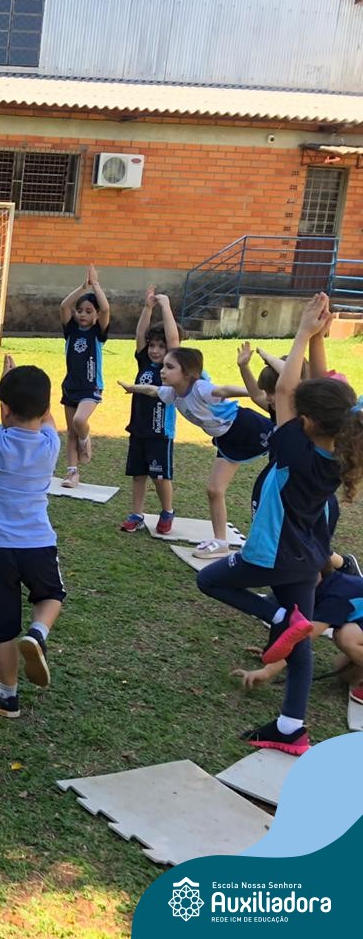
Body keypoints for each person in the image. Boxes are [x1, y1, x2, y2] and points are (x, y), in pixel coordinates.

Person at [196, 294, 361, 756]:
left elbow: (287, 390)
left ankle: (279, 617)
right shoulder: (340, 448)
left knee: (210, 580)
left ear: (304, 421)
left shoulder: (292, 449)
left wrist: (304, 332)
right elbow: (326, 393)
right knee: (300, 642)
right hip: (307, 558)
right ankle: (291, 727)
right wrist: (318, 339)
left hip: (271, 553)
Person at [0, 355, 65, 719]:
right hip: (38, 543)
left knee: (2, 623)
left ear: (4, 410)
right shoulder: (50, 444)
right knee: (51, 596)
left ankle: (7, 696)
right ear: (44, 408)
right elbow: (48, 419)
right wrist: (21, 393)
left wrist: (0, 385)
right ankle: (38, 633)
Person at [120, 346, 273, 558]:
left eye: (169, 367)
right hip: (227, 440)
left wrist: (257, 392)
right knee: (214, 490)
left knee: (279, 476)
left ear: (188, 374)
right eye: (163, 366)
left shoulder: (201, 388)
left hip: (248, 428)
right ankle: (221, 542)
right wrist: (132, 388)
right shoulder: (173, 393)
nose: (162, 371)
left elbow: (224, 390)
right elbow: (152, 390)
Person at [230, 564, 363, 698]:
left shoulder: (336, 596)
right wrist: (273, 653)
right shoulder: (318, 587)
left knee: (346, 637)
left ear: (317, 573)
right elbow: (292, 627)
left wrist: (267, 672)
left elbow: (302, 638)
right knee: (347, 675)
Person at [121, 289, 179, 533]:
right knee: (138, 474)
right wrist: (147, 308)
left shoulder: (171, 367)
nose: (155, 350)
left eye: (160, 347)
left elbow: (174, 341)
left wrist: (165, 307)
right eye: (152, 345)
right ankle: (137, 514)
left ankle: (167, 512)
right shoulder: (144, 361)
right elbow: (139, 335)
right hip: (139, 429)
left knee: (160, 476)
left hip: (160, 432)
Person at [58, 265, 110, 488]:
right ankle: (72, 473)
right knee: (70, 431)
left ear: (96, 316)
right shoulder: (70, 329)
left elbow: (106, 308)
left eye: (89, 311)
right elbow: (64, 306)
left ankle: (85, 439)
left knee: (80, 421)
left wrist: (95, 284)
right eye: (80, 311)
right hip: (70, 386)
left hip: (91, 388)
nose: (82, 314)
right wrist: (82, 287)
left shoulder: (98, 333)